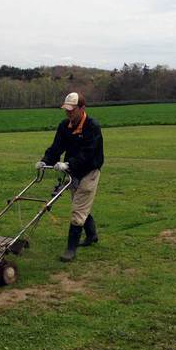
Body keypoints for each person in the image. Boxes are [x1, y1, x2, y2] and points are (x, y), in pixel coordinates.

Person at [35, 92, 104, 262]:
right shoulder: (64, 126)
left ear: (82, 108)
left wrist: (69, 164)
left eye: (72, 110)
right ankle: (92, 235)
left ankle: (70, 249)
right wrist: (45, 161)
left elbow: (88, 153)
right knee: (79, 205)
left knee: (78, 209)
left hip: (89, 171)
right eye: (66, 109)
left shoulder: (92, 127)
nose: (68, 113)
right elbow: (57, 147)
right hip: (73, 172)